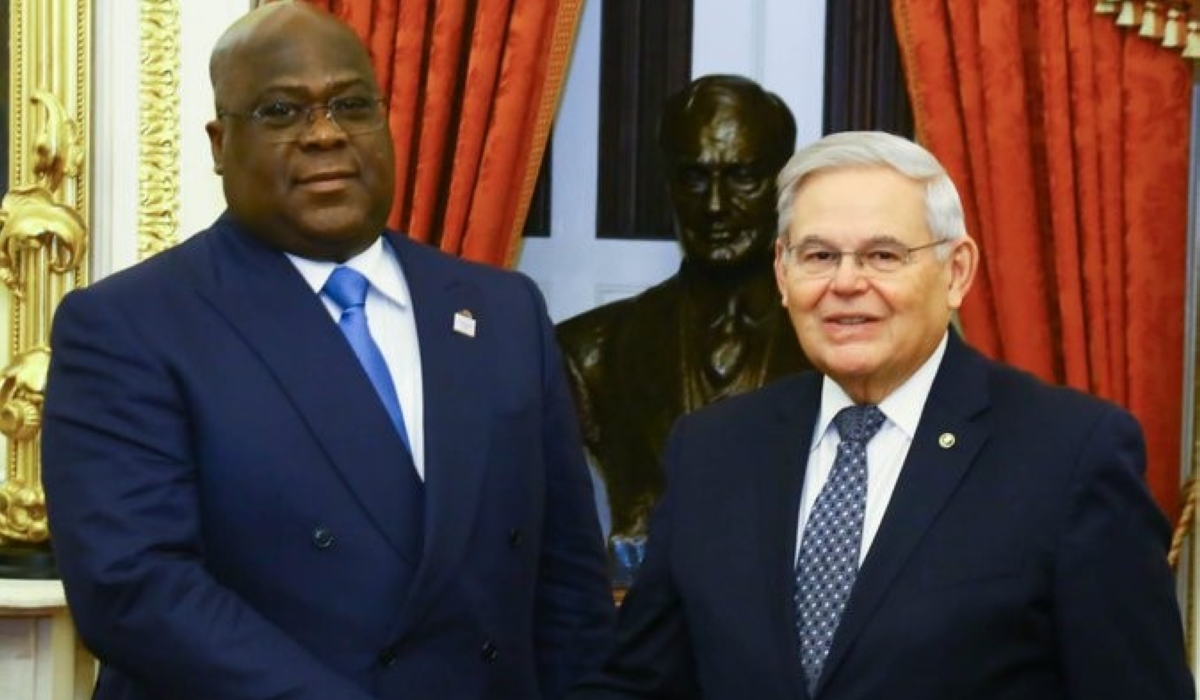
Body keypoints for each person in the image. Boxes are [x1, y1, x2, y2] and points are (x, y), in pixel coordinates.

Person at [40, 3, 614, 699]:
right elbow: (134, 588)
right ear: (220, 144)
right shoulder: (130, 326)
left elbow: (568, 584)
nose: (325, 135)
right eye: (282, 111)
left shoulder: (502, 312)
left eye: (351, 104)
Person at [568, 131, 1193, 699]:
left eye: (883, 256)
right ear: (783, 274)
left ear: (956, 272)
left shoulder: (1070, 453)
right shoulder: (713, 449)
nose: (845, 283)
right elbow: (640, 685)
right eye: (817, 256)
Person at [557, 75, 811, 570]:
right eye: (694, 178)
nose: (714, 205)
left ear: (783, 184)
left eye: (743, 176)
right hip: (650, 628)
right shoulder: (590, 352)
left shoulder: (841, 343)